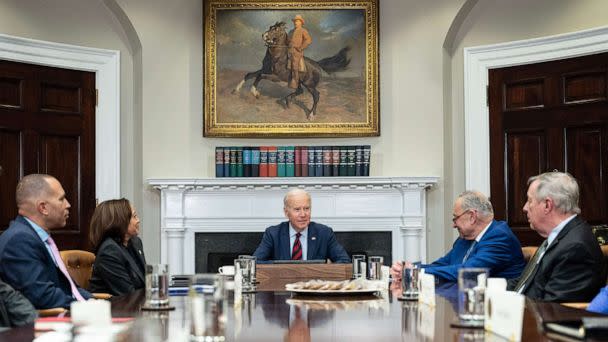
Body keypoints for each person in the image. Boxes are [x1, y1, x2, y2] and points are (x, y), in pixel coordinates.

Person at [507, 172, 606, 302]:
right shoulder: (559, 235)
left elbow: (554, 308)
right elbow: (524, 283)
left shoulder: (575, 248)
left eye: (530, 200)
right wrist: (485, 289)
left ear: (547, 205)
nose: (525, 208)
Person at [0, 174, 92, 309]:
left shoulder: (37, 237)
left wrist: (97, 303)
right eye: (62, 199)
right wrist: (87, 307)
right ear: (43, 208)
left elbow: (70, 290)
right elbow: (42, 296)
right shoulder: (19, 241)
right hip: (40, 325)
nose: (68, 204)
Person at [390, 191, 525, 282]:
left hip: (496, 311)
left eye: (456, 218)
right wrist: (411, 268)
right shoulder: (465, 238)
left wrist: (415, 273)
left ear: (472, 216)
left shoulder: (499, 237)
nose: (454, 225)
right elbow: (444, 264)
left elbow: (467, 272)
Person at [253, 188, 350, 263]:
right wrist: (282, 266)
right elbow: (255, 262)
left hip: (313, 287)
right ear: (286, 212)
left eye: (306, 208)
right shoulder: (273, 234)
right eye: (297, 209)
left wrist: (326, 268)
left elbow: (345, 261)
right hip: (283, 287)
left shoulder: (324, 233)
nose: (303, 214)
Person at [88, 198, 147, 296]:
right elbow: (127, 294)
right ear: (120, 220)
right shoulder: (109, 251)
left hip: (135, 305)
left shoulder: (136, 243)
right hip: (113, 308)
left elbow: (145, 283)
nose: (138, 220)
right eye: (134, 216)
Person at [288, 14, 312, 89]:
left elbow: (308, 40)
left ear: (301, 22)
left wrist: (301, 47)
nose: (295, 23)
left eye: (297, 21)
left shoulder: (303, 31)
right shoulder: (291, 31)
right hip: (289, 51)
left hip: (297, 52)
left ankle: (295, 82)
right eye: (295, 21)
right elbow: (288, 40)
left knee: (295, 65)